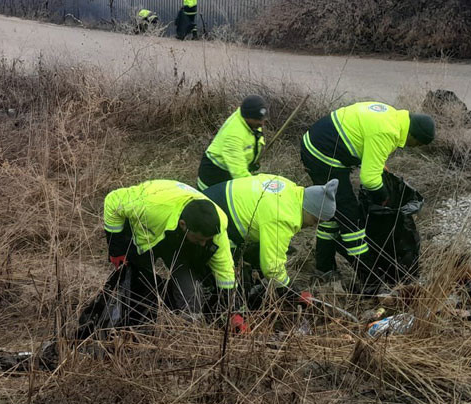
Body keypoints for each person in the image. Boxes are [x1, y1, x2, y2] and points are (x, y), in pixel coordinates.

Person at [300, 102, 436, 291]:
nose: (414, 148)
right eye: (418, 144)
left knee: (332, 213)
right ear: (413, 136)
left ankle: (324, 268)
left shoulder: (392, 116)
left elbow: (371, 153)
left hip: (316, 144)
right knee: (351, 220)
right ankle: (372, 282)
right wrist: (383, 197)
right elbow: (370, 179)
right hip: (323, 156)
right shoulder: (388, 132)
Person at [103, 179, 237, 319]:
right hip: (148, 231)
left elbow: (225, 269)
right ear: (183, 224)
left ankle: (188, 326)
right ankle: (135, 318)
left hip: (178, 239)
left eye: (206, 240)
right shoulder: (150, 206)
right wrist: (116, 249)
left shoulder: (216, 226)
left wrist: (233, 311)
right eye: (199, 239)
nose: (203, 244)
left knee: (190, 291)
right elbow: (113, 201)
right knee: (138, 282)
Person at [202, 175, 337, 306]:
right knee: (239, 282)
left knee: (257, 256)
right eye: (315, 220)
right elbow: (272, 268)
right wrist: (292, 293)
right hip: (209, 222)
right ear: (308, 210)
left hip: (207, 199)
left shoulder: (289, 187)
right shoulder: (284, 217)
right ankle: (215, 310)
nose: (313, 226)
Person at [198, 95, 267, 191]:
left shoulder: (251, 122)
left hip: (229, 171)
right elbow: (239, 172)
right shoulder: (233, 135)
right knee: (215, 204)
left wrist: (252, 160)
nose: (262, 123)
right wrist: (255, 189)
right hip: (214, 175)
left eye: (262, 118)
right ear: (247, 117)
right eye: (257, 120)